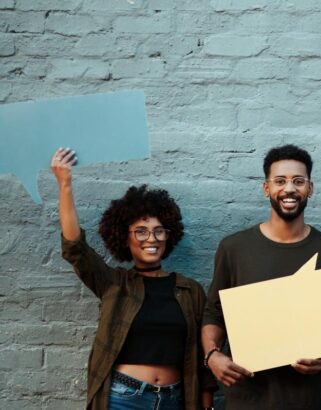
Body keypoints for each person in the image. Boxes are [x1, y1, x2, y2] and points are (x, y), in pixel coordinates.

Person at [51, 147, 215, 410]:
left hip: (174, 399)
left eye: (158, 231)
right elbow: (75, 248)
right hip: (123, 399)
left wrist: (206, 399)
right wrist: (65, 185)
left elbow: (202, 351)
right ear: (124, 237)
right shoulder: (114, 283)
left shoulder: (190, 290)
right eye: (140, 231)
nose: (151, 238)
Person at [201, 144, 321, 409]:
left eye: (298, 181)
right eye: (280, 181)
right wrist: (212, 355)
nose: (289, 189)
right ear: (266, 188)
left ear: (310, 189)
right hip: (246, 400)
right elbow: (214, 313)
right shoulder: (233, 248)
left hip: (304, 401)